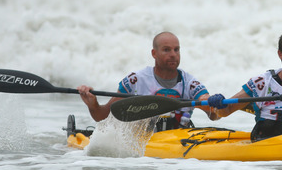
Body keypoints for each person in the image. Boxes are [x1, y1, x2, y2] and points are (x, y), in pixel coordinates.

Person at [77, 32, 219, 129]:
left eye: (176, 50)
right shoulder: (136, 80)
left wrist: (213, 102)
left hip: (178, 151)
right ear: (154, 53)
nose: (173, 55)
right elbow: (103, 117)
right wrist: (93, 105)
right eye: (167, 50)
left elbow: (212, 113)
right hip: (144, 152)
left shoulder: (189, 83)